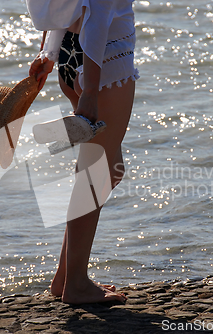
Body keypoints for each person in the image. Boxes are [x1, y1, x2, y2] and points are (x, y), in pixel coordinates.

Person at [26, 0, 139, 304]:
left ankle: (65, 277)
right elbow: (98, 16)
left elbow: (72, 6)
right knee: (95, 177)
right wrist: (89, 91)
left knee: (109, 170)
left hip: (71, 59)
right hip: (103, 65)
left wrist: (48, 54)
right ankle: (75, 284)